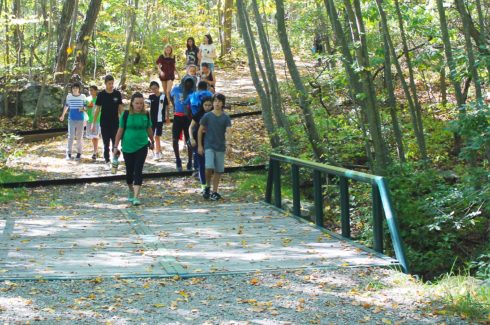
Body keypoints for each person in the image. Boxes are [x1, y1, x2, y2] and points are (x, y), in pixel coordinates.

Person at [113, 92, 154, 206]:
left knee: (138, 170)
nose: (139, 105)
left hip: (142, 145)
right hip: (127, 147)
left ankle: (136, 196)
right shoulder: (125, 114)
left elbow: (149, 128)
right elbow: (120, 131)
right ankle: (131, 190)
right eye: (137, 103)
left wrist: (152, 141)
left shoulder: (146, 114)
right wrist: (115, 146)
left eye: (141, 103)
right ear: (132, 103)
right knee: (129, 173)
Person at [198, 93, 232, 200]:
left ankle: (215, 191)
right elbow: (200, 130)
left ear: (223, 103)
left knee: (218, 170)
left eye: (219, 101)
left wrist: (229, 144)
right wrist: (200, 145)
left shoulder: (225, 117)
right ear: (213, 103)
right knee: (209, 166)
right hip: (209, 145)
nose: (217, 103)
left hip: (220, 146)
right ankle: (207, 186)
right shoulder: (207, 116)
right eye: (215, 101)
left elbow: (229, 131)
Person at [92, 75, 124, 163]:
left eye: (112, 83)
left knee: (115, 142)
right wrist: (93, 123)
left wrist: (124, 118)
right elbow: (97, 109)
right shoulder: (101, 95)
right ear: (105, 84)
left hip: (115, 122)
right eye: (109, 83)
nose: (111, 85)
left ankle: (115, 158)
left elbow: (120, 107)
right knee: (106, 143)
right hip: (104, 123)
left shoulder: (117, 94)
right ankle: (107, 159)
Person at [170, 76, 195, 171]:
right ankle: (178, 160)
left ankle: (190, 161)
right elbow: (171, 97)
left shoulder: (192, 91)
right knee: (175, 139)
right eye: (187, 82)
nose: (188, 84)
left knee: (189, 140)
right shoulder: (176, 89)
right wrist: (174, 106)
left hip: (188, 117)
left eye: (190, 83)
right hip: (177, 116)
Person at [189, 96, 213, 193]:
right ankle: (203, 186)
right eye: (205, 105)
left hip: (210, 142)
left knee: (210, 165)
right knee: (201, 164)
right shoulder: (198, 114)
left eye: (209, 105)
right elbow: (190, 127)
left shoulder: (214, 115)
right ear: (202, 105)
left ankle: (208, 184)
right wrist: (191, 138)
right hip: (198, 141)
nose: (207, 107)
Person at [59, 82, 86, 161]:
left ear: (79, 89)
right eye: (73, 88)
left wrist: (82, 109)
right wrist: (63, 115)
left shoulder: (83, 96)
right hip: (71, 119)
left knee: (79, 137)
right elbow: (67, 106)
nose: (75, 89)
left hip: (80, 119)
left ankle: (79, 153)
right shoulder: (69, 96)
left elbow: (87, 107)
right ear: (72, 89)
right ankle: (68, 153)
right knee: (70, 136)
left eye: (76, 88)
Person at [148, 81, 168, 160]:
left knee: (157, 136)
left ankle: (157, 152)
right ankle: (157, 151)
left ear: (158, 87)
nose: (154, 90)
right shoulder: (150, 97)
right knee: (151, 136)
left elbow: (166, 107)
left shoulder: (163, 96)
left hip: (160, 119)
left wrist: (167, 117)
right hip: (152, 120)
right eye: (152, 89)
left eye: (155, 88)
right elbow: (147, 108)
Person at [85, 85, 100, 160]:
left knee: (95, 136)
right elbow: (85, 108)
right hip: (89, 120)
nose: (91, 92)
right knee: (91, 136)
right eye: (90, 90)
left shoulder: (99, 99)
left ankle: (95, 152)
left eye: (92, 90)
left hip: (97, 120)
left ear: (96, 91)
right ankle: (96, 151)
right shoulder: (87, 99)